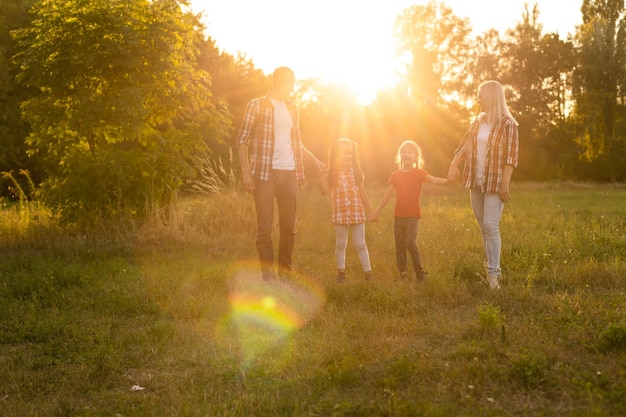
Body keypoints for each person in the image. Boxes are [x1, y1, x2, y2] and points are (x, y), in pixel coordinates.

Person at [237, 66, 325, 281]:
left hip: (290, 174)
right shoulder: (257, 105)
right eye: (290, 82)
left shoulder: (293, 108)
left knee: (289, 227)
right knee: (265, 227)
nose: (292, 86)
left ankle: (285, 270)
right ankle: (267, 274)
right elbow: (242, 139)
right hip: (264, 174)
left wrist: (315, 162)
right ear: (279, 81)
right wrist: (245, 172)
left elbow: (297, 143)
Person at [446, 80, 519, 289]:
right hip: (475, 182)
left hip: (495, 184)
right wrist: (453, 166)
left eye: (481, 96)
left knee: (490, 226)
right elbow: (464, 145)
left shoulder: (508, 125)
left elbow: (511, 158)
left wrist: (505, 183)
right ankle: (493, 269)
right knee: (484, 229)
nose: (478, 100)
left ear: (492, 97)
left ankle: (493, 275)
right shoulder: (478, 121)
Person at [368, 140, 448, 282]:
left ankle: (420, 271)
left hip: (413, 215)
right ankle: (402, 273)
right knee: (400, 244)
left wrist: (448, 180)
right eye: (403, 152)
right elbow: (387, 195)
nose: (406, 154)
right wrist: (376, 211)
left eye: (409, 152)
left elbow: (434, 179)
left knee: (410, 242)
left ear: (416, 156)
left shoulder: (419, 173)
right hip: (398, 216)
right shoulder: (395, 175)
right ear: (400, 156)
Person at [319, 138, 373, 282]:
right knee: (341, 243)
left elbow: (363, 193)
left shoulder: (357, 172)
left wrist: (371, 212)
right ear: (337, 154)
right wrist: (320, 176)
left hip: (357, 213)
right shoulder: (331, 173)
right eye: (344, 153)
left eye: (350, 153)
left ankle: (368, 273)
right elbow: (324, 191)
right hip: (340, 213)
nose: (348, 156)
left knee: (360, 244)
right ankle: (341, 273)